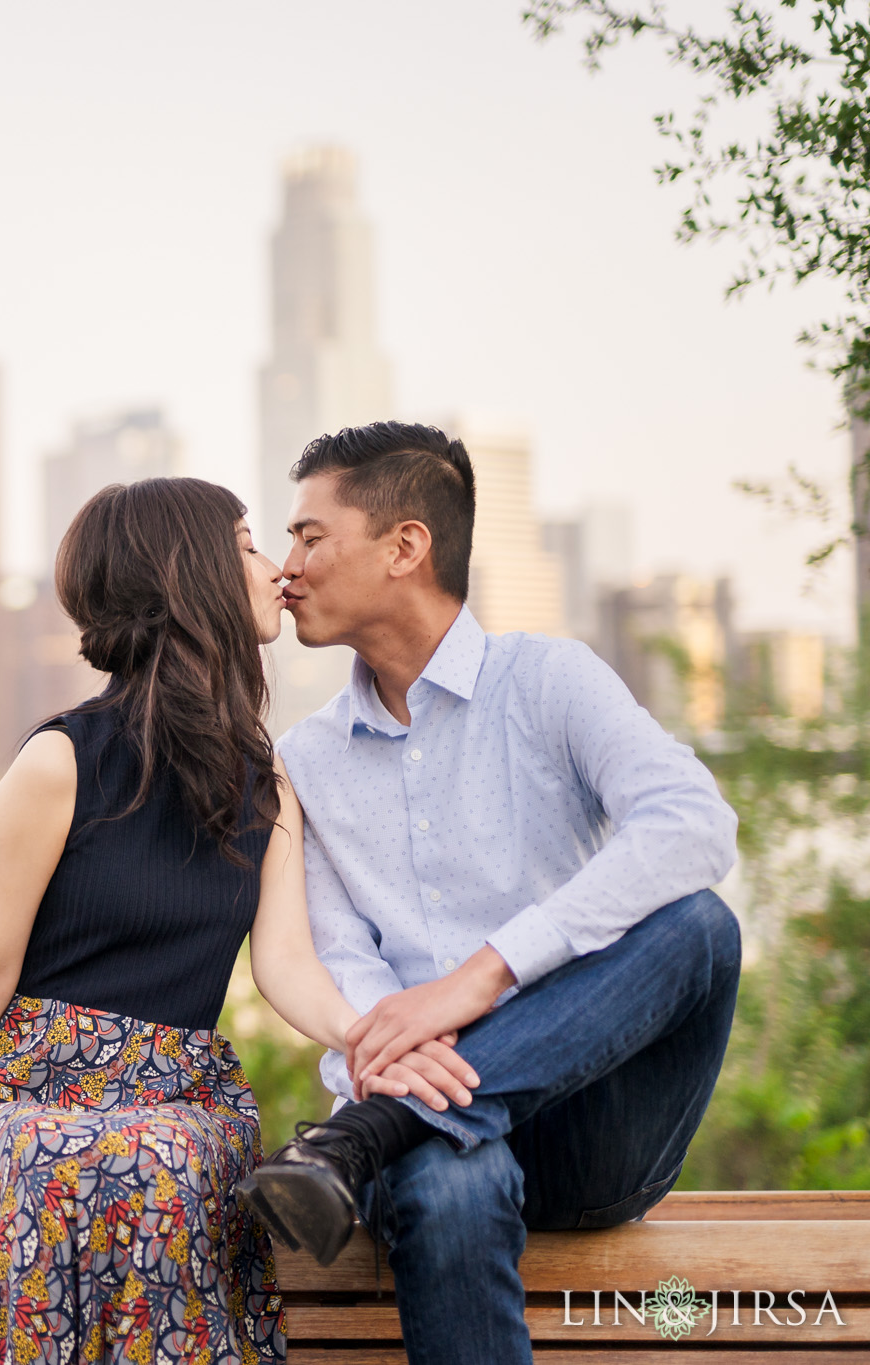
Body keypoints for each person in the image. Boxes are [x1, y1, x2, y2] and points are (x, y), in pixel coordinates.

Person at [0, 476, 478, 1365]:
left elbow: (286, 961)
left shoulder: (265, 781)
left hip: (179, 1095)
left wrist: (377, 1041)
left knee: (164, 1158)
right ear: (190, 574)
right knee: (47, 1156)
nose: (274, 569)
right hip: (30, 1090)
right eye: (249, 545)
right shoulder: (58, 763)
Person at [238, 422, 741, 1365]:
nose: (287, 565)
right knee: (448, 1180)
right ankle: (399, 1125)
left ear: (405, 546)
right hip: (422, 1129)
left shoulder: (550, 680)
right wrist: (394, 1049)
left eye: (310, 535)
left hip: (592, 1130)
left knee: (702, 927)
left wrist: (485, 974)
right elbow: (340, 962)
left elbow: (695, 824)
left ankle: (370, 1134)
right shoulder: (304, 759)